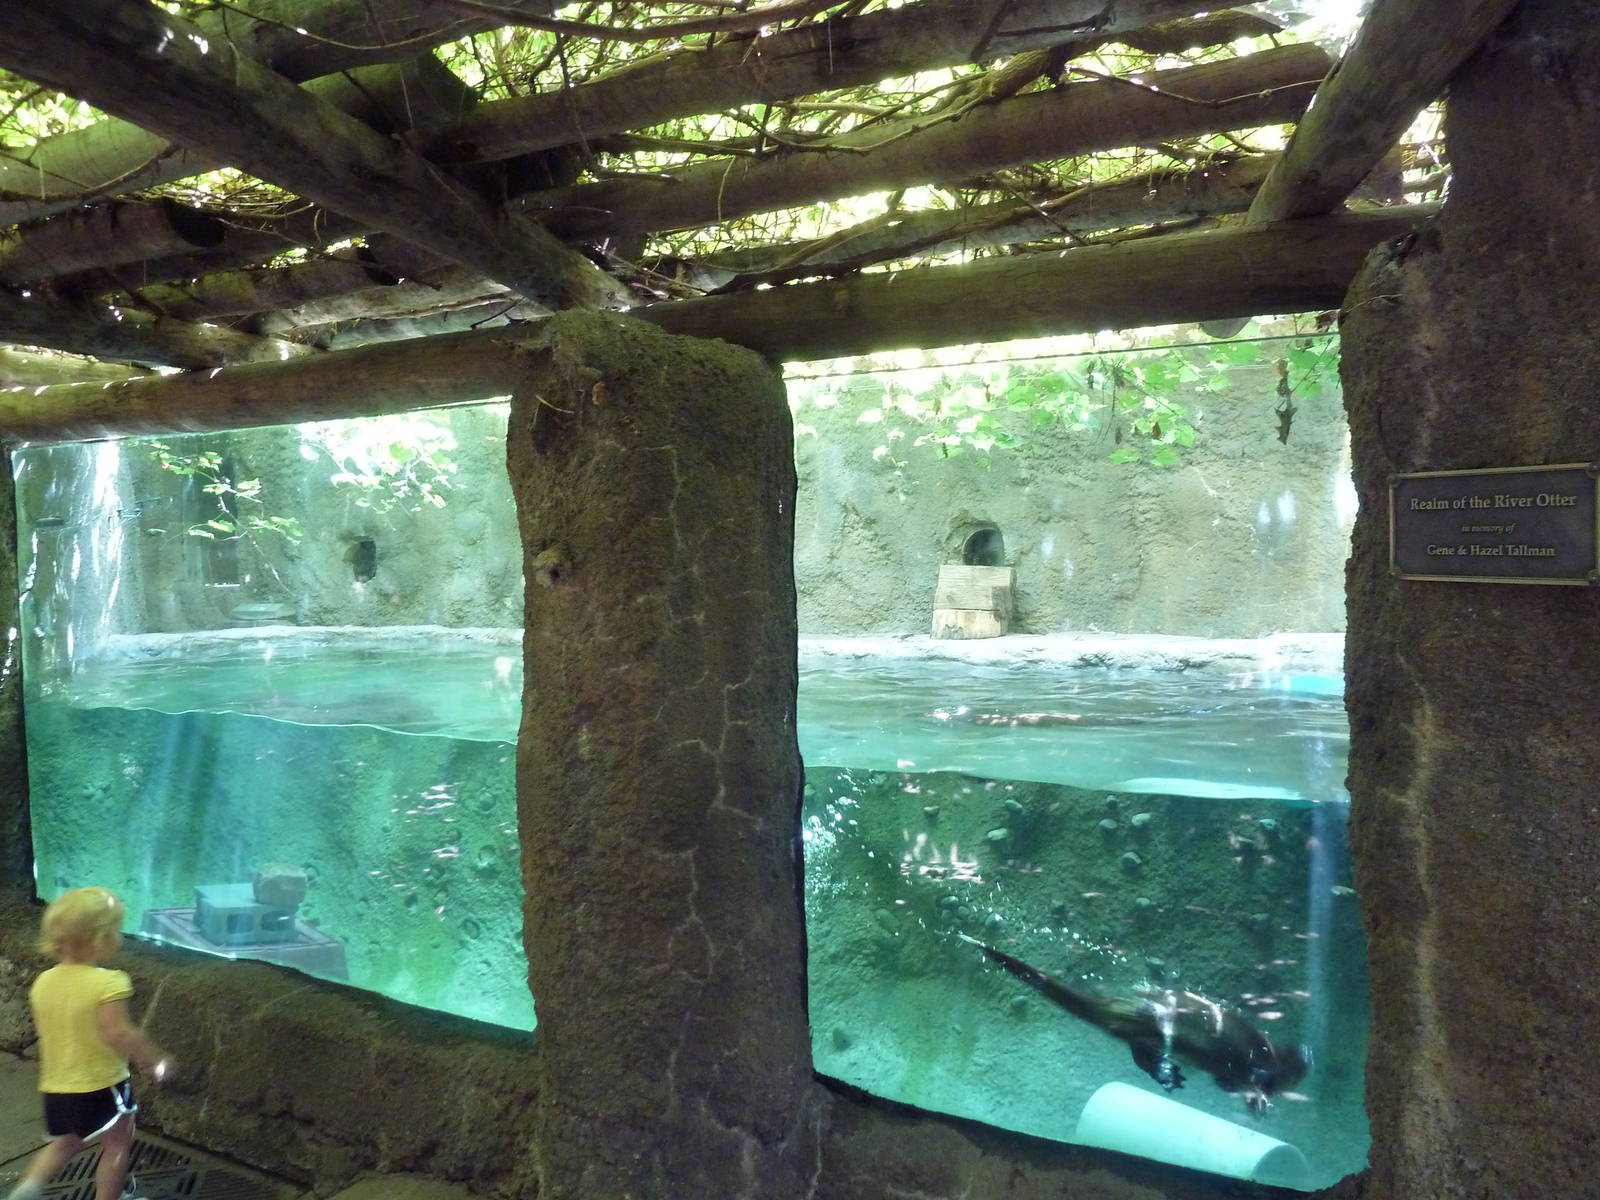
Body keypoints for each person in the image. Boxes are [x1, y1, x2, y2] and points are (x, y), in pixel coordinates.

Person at [5, 888, 174, 1200]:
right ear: (104, 939)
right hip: (101, 1084)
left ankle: (24, 1193)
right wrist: (154, 1060)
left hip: (56, 1086)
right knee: (118, 1143)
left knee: (65, 1143)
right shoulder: (109, 982)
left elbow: (47, 1031)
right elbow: (118, 1034)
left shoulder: (44, 982)